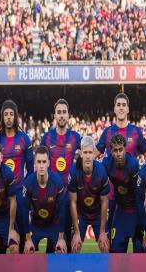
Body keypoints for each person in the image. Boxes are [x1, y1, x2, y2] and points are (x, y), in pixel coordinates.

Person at [96, 93, 146, 239]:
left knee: (137, 240)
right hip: (112, 196)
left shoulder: (136, 132)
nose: (121, 108)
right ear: (114, 108)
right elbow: (94, 154)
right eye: (118, 105)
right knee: (111, 241)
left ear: (128, 109)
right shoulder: (107, 132)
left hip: (133, 197)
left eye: (123, 105)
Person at [0, 99, 34, 252]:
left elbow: (31, 171)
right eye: (6, 114)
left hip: (19, 196)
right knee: (2, 243)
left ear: (15, 116)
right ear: (2, 117)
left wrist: (24, 191)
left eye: (11, 114)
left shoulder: (24, 139)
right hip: (2, 196)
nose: (9, 117)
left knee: (21, 242)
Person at [40, 98, 81, 252]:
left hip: (70, 197)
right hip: (52, 196)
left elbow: (89, 154)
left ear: (68, 115)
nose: (62, 115)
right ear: (55, 115)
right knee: (52, 242)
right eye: (59, 112)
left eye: (64, 112)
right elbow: (40, 163)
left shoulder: (75, 137)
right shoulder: (46, 137)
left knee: (69, 242)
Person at [68, 136, 110, 253]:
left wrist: (102, 231)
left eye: (90, 152)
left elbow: (104, 201)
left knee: (105, 245)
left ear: (94, 153)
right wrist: (76, 232)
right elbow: (72, 202)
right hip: (81, 214)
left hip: (97, 214)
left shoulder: (101, 171)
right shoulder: (74, 171)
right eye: (85, 152)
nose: (87, 156)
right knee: (75, 246)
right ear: (81, 153)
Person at [22, 146, 67, 254]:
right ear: (35, 163)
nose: (41, 166)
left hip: (53, 225)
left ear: (48, 163)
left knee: (61, 251)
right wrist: (28, 239)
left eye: (44, 162)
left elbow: (62, 211)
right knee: (27, 251)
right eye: (39, 162)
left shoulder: (57, 182)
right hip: (36, 225)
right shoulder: (28, 183)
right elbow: (24, 212)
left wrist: (61, 238)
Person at [103, 134, 141, 253]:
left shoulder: (133, 164)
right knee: (115, 251)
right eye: (115, 150)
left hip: (135, 209)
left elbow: (138, 194)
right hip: (120, 210)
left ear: (125, 149)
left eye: (120, 150)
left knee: (140, 252)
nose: (118, 153)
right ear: (111, 151)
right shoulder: (106, 164)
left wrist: (141, 221)